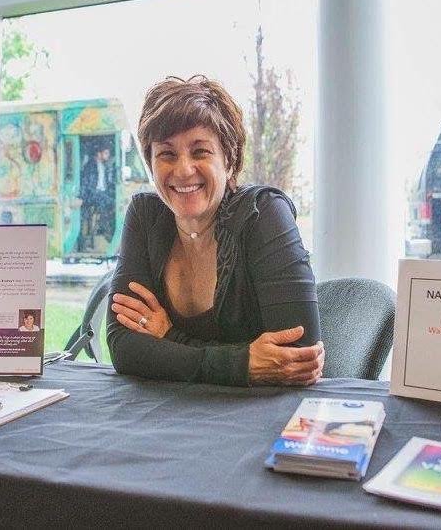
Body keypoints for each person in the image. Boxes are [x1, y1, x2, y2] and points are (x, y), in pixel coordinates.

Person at [106, 75, 323, 387]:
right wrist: (242, 363)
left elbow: (295, 357)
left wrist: (169, 338)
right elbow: (124, 347)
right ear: (151, 164)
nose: (183, 170)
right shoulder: (145, 216)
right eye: (167, 154)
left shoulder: (263, 214)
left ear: (229, 161)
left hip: (260, 419)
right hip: (173, 417)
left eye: (200, 152)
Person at [79, 146, 115, 250]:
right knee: (109, 203)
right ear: (99, 154)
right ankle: (105, 231)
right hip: (93, 195)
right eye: (106, 153)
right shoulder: (90, 166)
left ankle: (106, 229)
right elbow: (87, 184)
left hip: (101, 193)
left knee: (110, 202)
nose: (108, 156)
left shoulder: (103, 165)